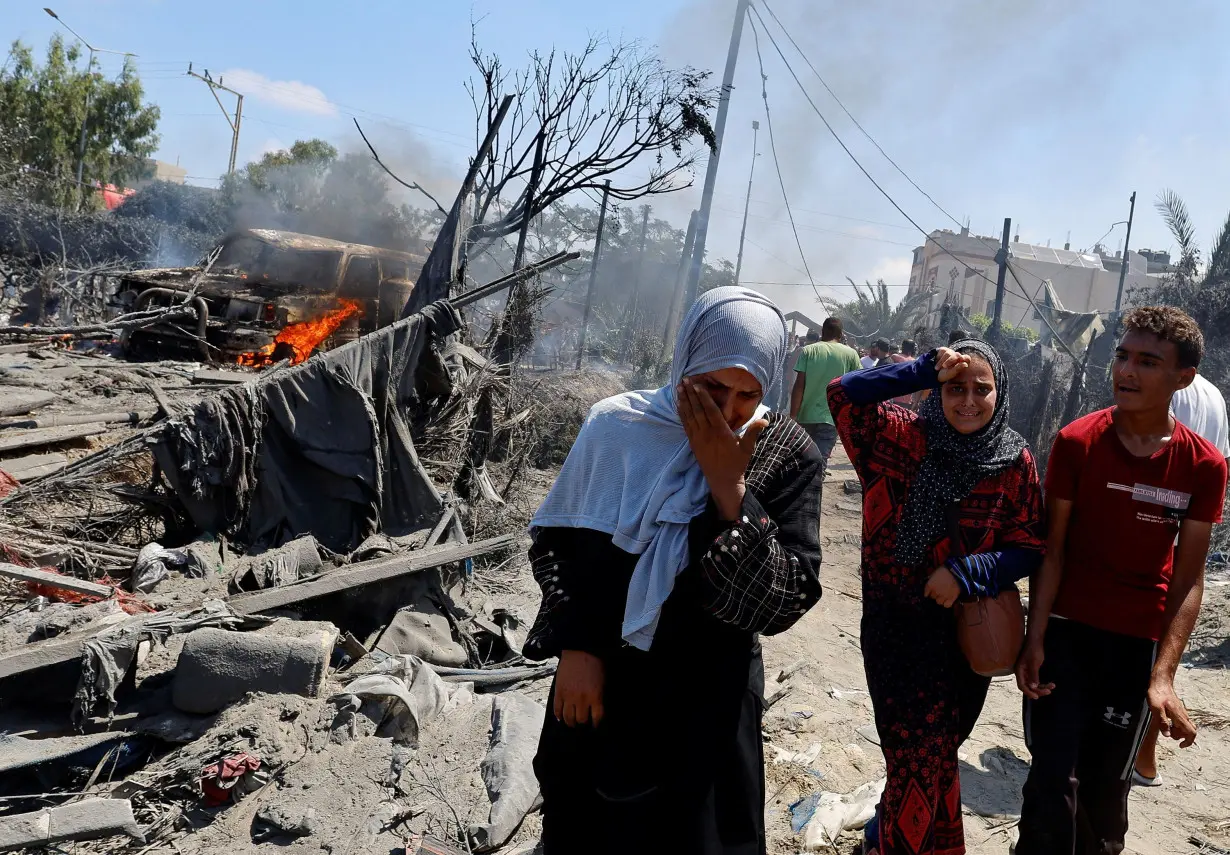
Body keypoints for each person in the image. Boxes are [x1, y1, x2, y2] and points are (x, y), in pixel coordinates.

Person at [527, 286, 824, 855]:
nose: (727, 410)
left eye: (748, 394)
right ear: (686, 360)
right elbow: (562, 547)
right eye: (712, 387)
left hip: (711, 689)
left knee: (703, 833)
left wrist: (730, 491)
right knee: (590, 824)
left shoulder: (785, 451)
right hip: (609, 673)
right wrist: (578, 647)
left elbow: (785, 599)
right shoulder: (616, 426)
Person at [1016, 306, 1228, 854]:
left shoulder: (1203, 466)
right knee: (1050, 783)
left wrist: (1162, 677)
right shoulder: (1077, 443)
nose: (1126, 371)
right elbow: (1053, 551)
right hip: (1065, 636)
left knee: (1106, 796)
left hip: (1134, 647)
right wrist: (1035, 639)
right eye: (1123, 356)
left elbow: (1188, 578)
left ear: (1184, 378)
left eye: (1148, 362)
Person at [828, 340, 1045, 855]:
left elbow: (1031, 545)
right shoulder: (898, 437)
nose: (967, 400)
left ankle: (880, 837)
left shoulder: (1014, 461)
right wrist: (922, 367)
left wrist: (968, 572)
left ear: (1001, 392)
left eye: (981, 389)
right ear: (937, 391)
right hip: (896, 629)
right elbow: (842, 394)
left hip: (967, 637)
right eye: (954, 388)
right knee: (921, 760)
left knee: (934, 755)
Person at [1132, 369, 1230, 786]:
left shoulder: (1165, 388)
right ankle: (1143, 758)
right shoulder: (1215, 397)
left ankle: (1141, 755)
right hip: (1187, 531)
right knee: (1162, 650)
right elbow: (1221, 461)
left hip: (1152, 527)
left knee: (1142, 649)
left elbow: (1149, 448)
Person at [791, 317, 861, 474]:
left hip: (805, 416)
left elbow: (799, 385)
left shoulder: (809, 350)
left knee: (801, 460)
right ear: (841, 334)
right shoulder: (851, 354)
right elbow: (856, 386)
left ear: (822, 332)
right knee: (820, 463)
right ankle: (813, 494)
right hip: (832, 418)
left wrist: (793, 416)